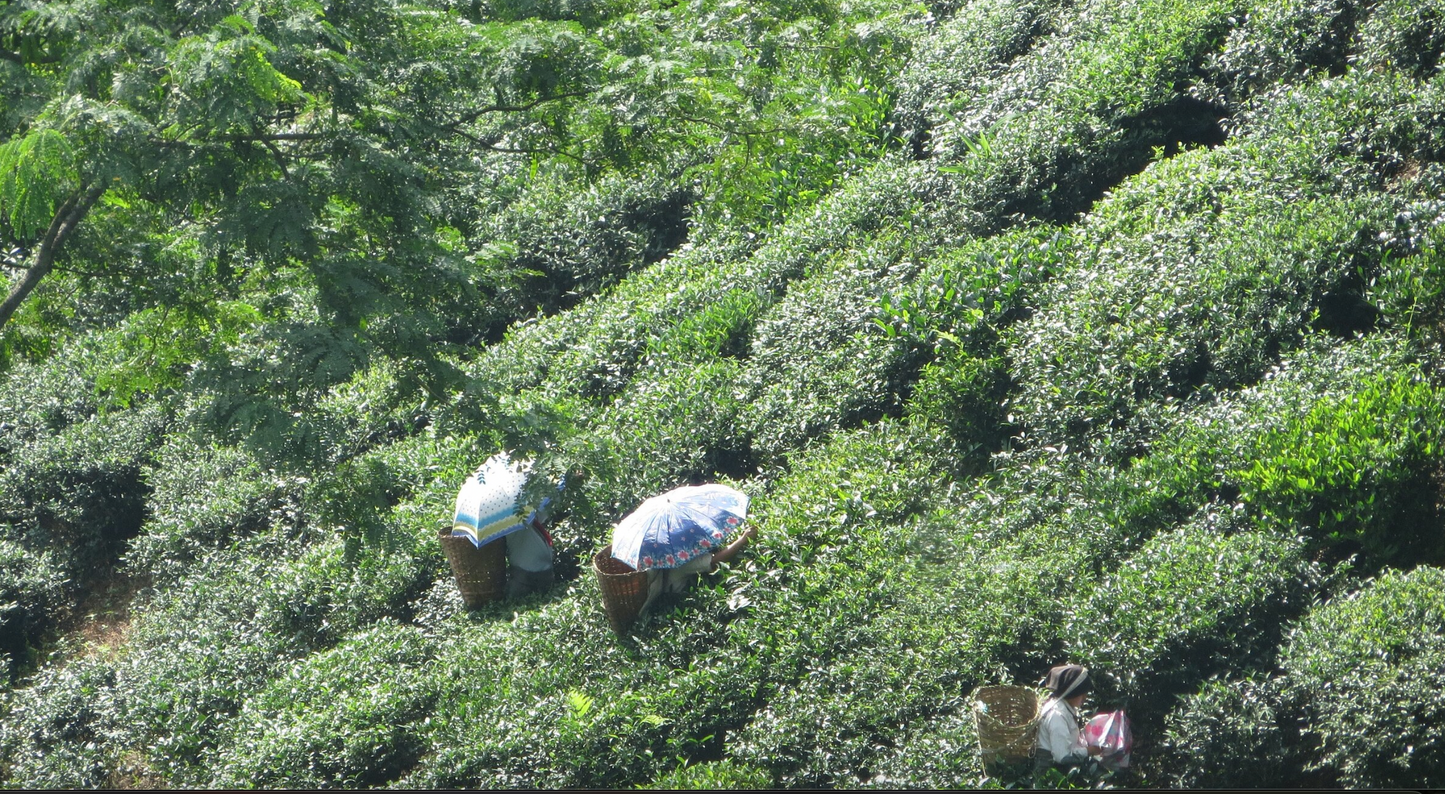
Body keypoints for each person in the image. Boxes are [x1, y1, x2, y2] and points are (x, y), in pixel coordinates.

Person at [639, 525, 757, 617]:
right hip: (666, 611)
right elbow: (715, 560)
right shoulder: (681, 560)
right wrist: (742, 540)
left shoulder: (651, 556)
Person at [1033, 663, 1103, 787]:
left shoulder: (1065, 708)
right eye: (1082, 693)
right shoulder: (1057, 715)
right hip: (1050, 773)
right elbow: (1062, 757)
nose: (1085, 697)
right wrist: (1089, 751)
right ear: (1072, 692)